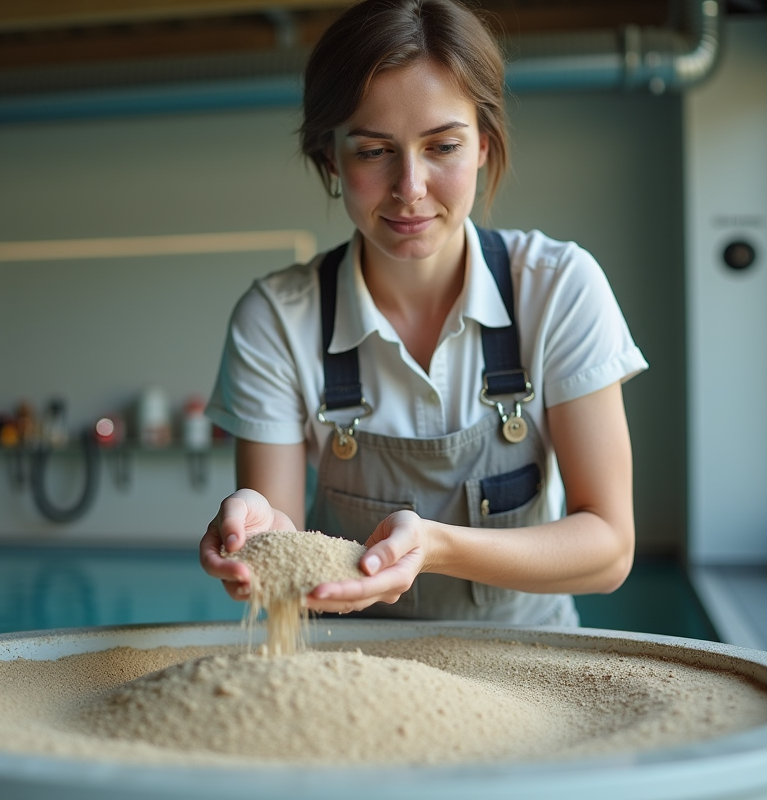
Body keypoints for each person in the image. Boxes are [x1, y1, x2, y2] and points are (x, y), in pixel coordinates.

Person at [200, 0, 647, 626]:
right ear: (331, 158)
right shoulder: (275, 319)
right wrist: (260, 535)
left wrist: (437, 548)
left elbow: (608, 548)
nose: (410, 187)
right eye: (373, 151)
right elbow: (279, 546)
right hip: (349, 669)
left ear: (484, 145)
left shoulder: (558, 288)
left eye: (442, 146)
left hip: (529, 667)